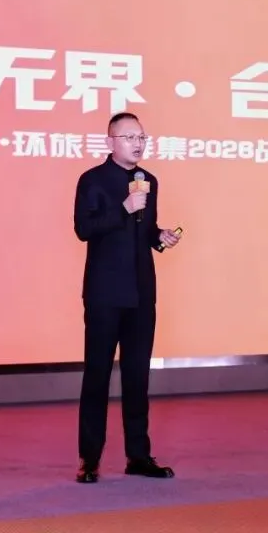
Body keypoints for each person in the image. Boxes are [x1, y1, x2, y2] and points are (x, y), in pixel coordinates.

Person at [72, 111, 182, 484]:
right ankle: (89, 459)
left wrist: (159, 237)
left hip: (141, 293)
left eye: (141, 138)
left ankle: (138, 456)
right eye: (129, 137)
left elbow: (144, 229)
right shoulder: (92, 180)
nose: (137, 144)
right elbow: (84, 229)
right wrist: (123, 208)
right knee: (98, 375)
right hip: (105, 293)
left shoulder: (148, 180)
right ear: (111, 142)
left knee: (137, 376)